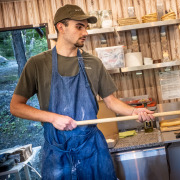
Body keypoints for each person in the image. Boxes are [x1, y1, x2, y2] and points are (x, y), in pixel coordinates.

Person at [10, 4, 154, 180]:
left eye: (85, 27)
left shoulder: (93, 63)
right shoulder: (37, 64)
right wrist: (53, 118)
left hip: (92, 151)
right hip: (57, 154)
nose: (85, 32)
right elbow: (16, 107)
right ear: (60, 27)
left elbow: (111, 101)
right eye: (79, 27)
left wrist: (134, 111)